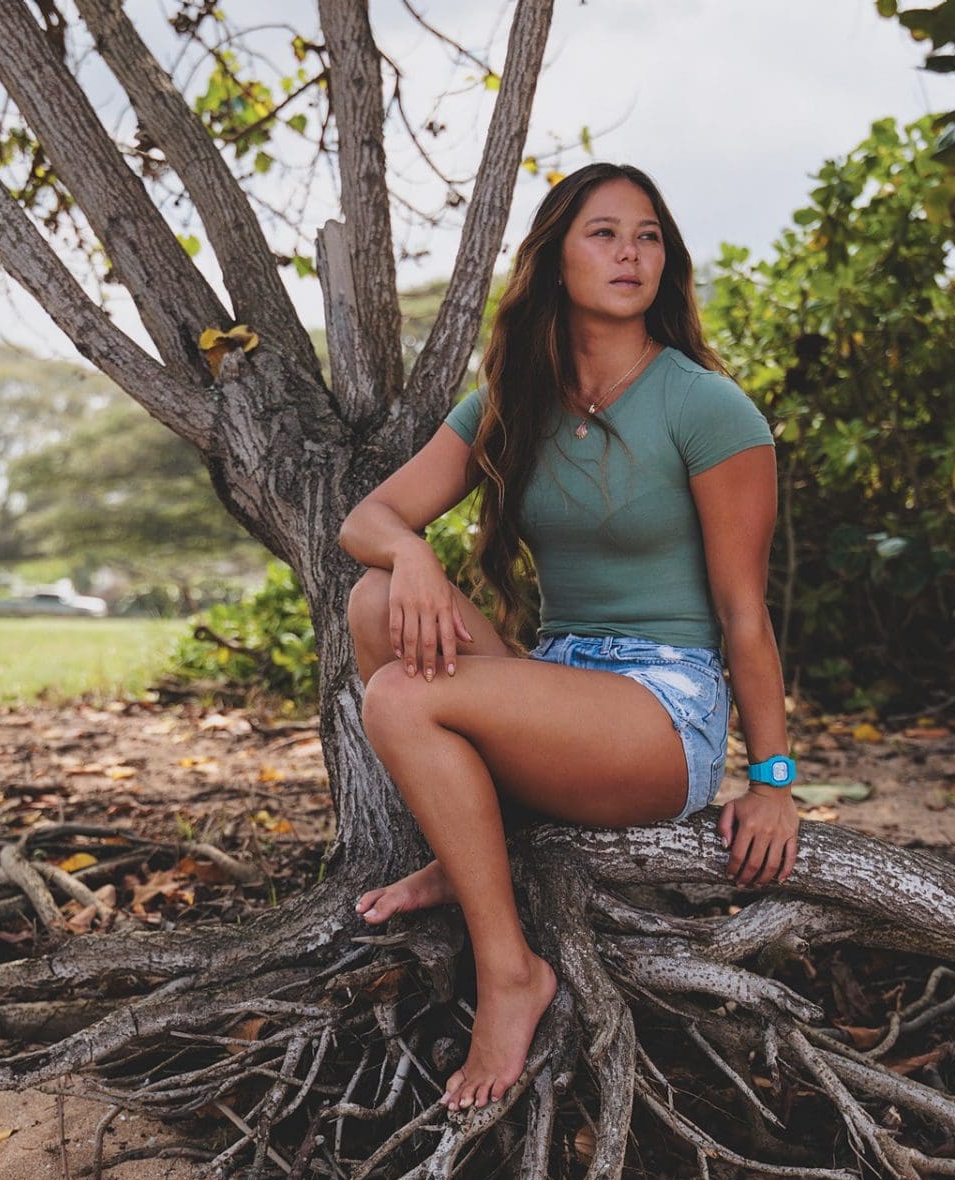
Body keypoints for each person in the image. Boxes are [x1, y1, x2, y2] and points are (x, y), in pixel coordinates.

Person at [337, 162, 799, 1117]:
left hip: (661, 715)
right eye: (604, 233)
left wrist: (773, 781)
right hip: (559, 683)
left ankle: (511, 973)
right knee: (377, 602)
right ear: (555, 259)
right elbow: (369, 519)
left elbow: (745, 615)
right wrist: (414, 558)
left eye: (649, 236)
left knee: (401, 694)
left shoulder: (707, 408)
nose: (631, 253)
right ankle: (474, 843)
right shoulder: (518, 397)